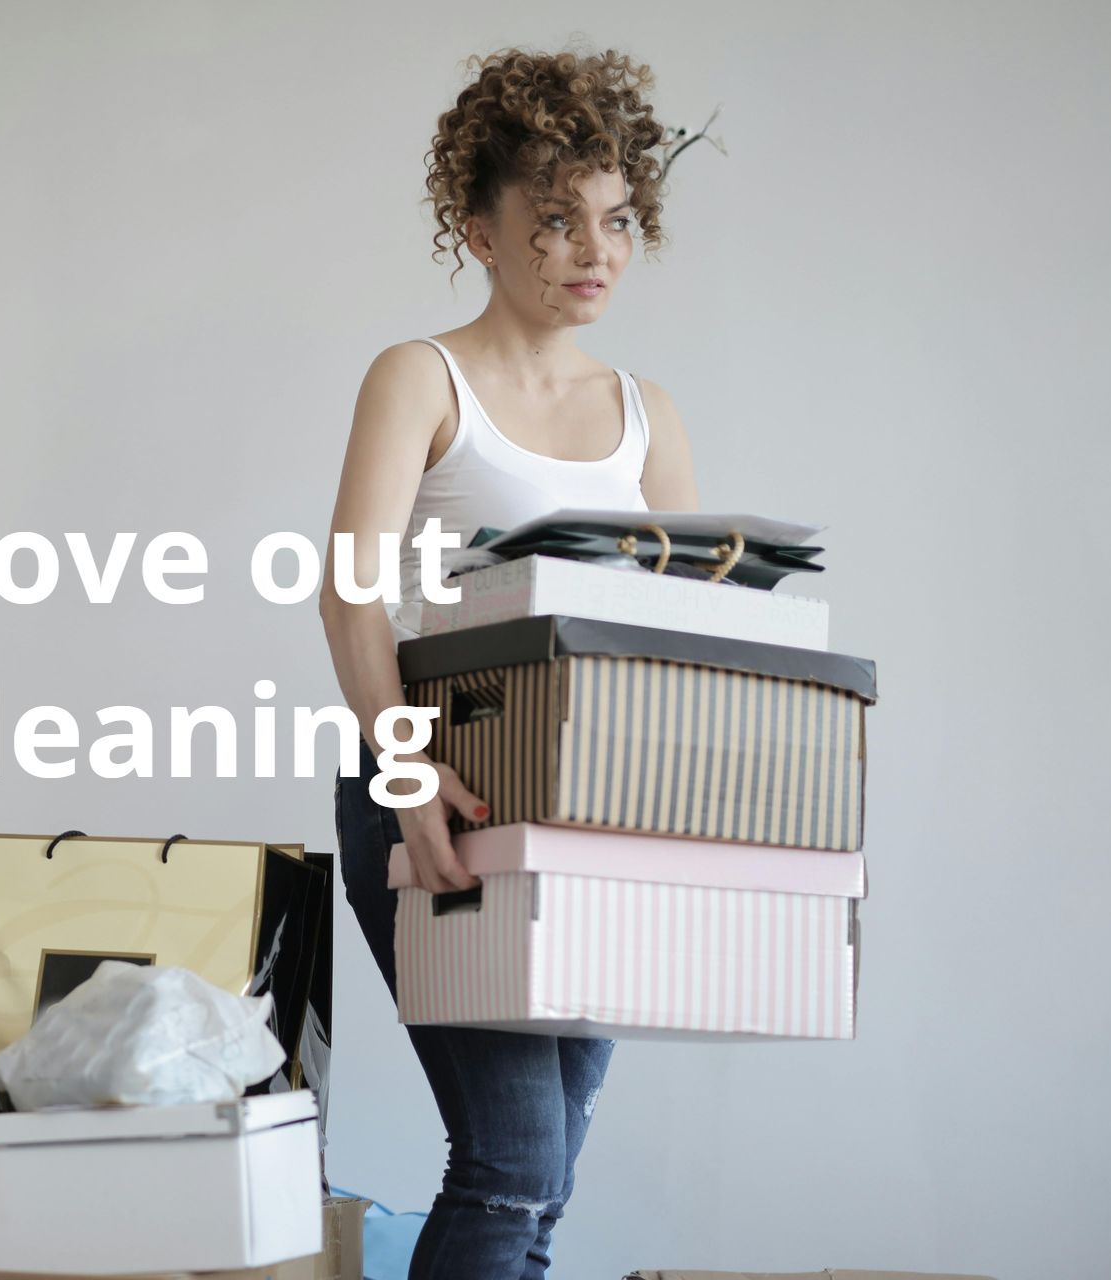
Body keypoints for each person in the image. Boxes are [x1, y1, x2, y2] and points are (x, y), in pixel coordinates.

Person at [317, 46, 701, 1280]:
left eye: (616, 219)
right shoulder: (420, 377)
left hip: (593, 812)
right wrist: (407, 774)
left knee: (545, 1175)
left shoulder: (648, 411)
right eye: (553, 221)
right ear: (479, 232)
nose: (594, 249)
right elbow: (349, 594)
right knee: (513, 1160)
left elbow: (686, 637)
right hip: (444, 787)